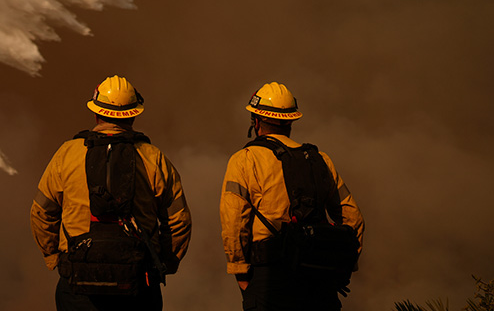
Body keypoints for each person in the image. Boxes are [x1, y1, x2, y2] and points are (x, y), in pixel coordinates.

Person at [30, 75, 192, 311]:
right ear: (133, 115)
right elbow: (179, 221)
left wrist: (54, 257)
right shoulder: (154, 158)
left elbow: (41, 213)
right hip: (138, 285)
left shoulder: (66, 155)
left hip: (77, 284)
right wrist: (164, 263)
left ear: (96, 113)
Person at [220, 82, 365, 311]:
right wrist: (341, 267)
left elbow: (234, 222)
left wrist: (241, 274)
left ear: (256, 122)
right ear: (290, 122)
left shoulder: (245, 160)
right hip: (319, 278)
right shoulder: (320, 160)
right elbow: (353, 218)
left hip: (269, 279)